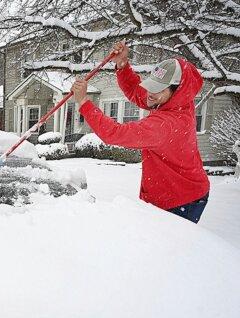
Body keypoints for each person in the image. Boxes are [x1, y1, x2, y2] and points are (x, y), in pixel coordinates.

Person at [71, 41, 210, 223]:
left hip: (180, 198)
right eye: (152, 85)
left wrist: (84, 103)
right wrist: (122, 65)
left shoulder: (166, 125)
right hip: (178, 189)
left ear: (177, 90)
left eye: (158, 88)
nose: (150, 93)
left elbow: (115, 133)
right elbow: (138, 93)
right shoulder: (174, 101)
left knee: (166, 247)